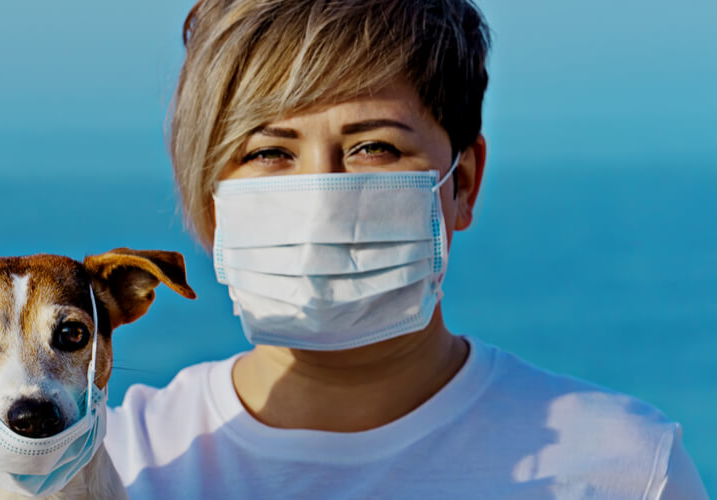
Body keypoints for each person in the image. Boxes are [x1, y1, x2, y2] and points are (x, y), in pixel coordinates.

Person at [104, 0, 709, 498]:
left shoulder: (627, 468)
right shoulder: (114, 465)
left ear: (463, 183)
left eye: (375, 148)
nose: (322, 197)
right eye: (268, 152)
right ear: (208, 202)